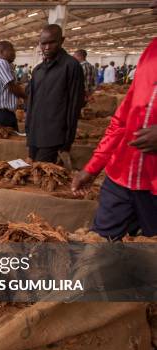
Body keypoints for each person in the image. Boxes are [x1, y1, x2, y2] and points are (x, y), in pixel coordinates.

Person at [71, 37, 156, 239]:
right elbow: (122, 120)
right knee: (97, 248)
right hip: (120, 178)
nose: (152, 4)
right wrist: (92, 168)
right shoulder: (152, 50)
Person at [25, 24, 84, 163]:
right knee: (30, 169)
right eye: (43, 43)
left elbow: (74, 105)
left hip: (54, 135)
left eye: (52, 42)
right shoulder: (38, 70)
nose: (46, 47)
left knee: (42, 172)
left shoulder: (71, 66)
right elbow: (31, 102)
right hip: (35, 133)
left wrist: (68, 140)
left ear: (62, 40)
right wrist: (28, 130)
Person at [0, 41, 25, 131]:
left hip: (0, 112)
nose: (14, 53)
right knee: (11, 141)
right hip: (0, 113)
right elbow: (12, 86)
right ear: (2, 52)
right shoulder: (1, 63)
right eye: (12, 50)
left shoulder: (0, 63)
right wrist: (27, 97)